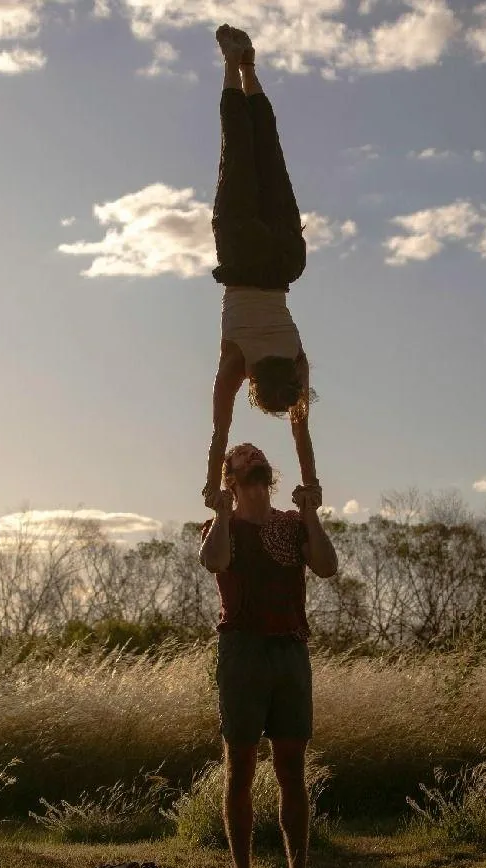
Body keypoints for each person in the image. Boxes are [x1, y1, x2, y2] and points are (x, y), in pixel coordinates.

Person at [199, 442, 338, 868]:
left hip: (290, 652)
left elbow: (327, 566)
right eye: (243, 461)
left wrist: (311, 512)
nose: (254, 462)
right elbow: (213, 561)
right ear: (231, 480)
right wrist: (221, 515)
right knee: (239, 767)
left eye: (258, 460)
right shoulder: (222, 526)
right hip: (242, 651)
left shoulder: (293, 524)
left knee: (291, 768)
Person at [203, 25, 321, 512]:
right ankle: (232, 64)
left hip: (284, 262)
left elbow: (303, 437)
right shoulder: (238, 362)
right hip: (241, 254)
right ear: (254, 384)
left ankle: (251, 69)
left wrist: (312, 482)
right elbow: (220, 431)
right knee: (237, 151)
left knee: (270, 157)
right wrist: (212, 483)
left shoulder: (297, 361)